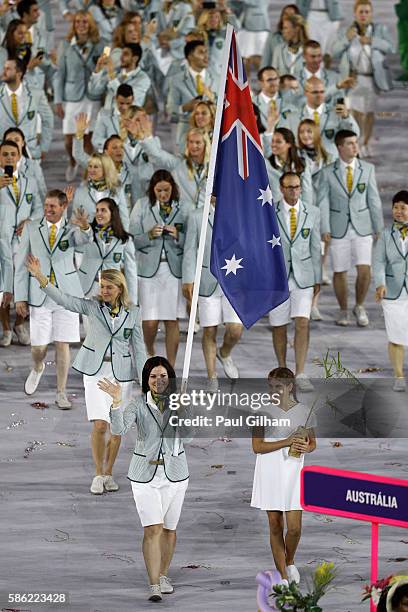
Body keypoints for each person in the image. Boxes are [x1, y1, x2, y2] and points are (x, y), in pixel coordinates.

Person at [26, 258, 146, 493]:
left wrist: (145, 381)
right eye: (102, 287)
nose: (103, 291)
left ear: (120, 288)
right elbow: (65, 300)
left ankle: (109, 473)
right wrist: (41, 277)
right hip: (95, 373)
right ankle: (98, 474)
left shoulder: (133, 313)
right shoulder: (92, 307)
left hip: (121, 375)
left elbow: (139, 347)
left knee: (117, 427)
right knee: (100, 424)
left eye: (109, 287)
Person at [99, 356, 190, 603]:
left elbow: (190, 438)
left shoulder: (180, 404)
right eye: (153, 377)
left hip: (176, 474)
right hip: (145, 477)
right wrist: (116, 402)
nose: (158, 381)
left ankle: (163, 575)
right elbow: (118, 430)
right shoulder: (137, 405)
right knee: (153, 529)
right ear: (146, 380)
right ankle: (154, 585)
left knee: (169, 530)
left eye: (163, 376)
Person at [13, 189, 92, 408]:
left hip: (66, 295)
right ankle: (38, 367)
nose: (47, 210)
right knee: (39, 348)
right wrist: (20, 297)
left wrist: (85, 226)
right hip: (40, 294)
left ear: (63, 207)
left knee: (62, 343)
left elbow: (84, 241)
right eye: (46, 205)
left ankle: (61, 392)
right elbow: (21, 265)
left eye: (52, 206)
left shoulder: (71, 228)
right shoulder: (31, 228)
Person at [251, 367, 316, 585]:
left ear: (289, 387)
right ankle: (283, 576)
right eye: (270, 386)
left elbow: (312, 442)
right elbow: (257, 447)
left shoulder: (306, 411)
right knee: (276, 525)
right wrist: (286, 441)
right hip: (269, 470)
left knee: (295, 528)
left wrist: (307, 447)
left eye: (278, 386)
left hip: (294, 471)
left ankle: (289, 560)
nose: (273, 391)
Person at [317, 129, 384, 327]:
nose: (355, 146)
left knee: (365, 270)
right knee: (340, 271)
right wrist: (325, 227)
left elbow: (374, 199)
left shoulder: (368, 169)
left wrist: (378, 226)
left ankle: (360, 306)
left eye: (356, 142)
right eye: (350, 143)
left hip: (362, 226)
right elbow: (323, 202)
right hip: (338, 229)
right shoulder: (327, 172)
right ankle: (343, 309)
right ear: (339, 147)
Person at [130, 169, 191, 366]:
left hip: (174, 271)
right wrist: (148, 235)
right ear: (152, 190)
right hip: (148, 270)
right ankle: (149, 353)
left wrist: (178, 236)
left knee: (171, 320)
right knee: (149, 321)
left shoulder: (185, 207)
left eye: (166, 190)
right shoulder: (142, 205)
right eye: (159, 191)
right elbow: (131, 239)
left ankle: (170, 365)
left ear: (173, 188)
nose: (163, 194)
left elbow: (192, 241)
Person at [182, 196, 243, 389]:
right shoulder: (196, 216)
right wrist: (188, 279)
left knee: (235, 330)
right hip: (207, 280)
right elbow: (191, 249)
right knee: (210, 329)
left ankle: (224, 353)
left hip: (234, 281)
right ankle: (212, 376)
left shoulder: (240, 214)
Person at [269, 173, 321, 392]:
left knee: (302, 322)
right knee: (279, 325)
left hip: (304, 275)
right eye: (289, 187)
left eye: (297, 187)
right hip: (277, 277)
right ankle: (282, 371)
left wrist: (317, 277)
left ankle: (300, 372)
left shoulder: (313, 212)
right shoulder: (269, 211)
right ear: (281, 188)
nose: (293, 191)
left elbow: (315, 246)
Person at [332, 0, 394, 157]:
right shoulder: (347, 31)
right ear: (355, 13)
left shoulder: (379, 30)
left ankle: (366, 142)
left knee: (369, 112)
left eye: (367, 12)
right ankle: (357, 143)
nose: (364, 15)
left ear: (371, 13)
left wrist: (373, 41)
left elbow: (390, 47)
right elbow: (335, 52)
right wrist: (347, 39)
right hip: (353, 79)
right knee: (355, 112)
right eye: (361, 12)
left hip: (372, 79)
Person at [53, 10, 105, 181]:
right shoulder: (65, 45)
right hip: (71, 98)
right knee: (69, 139)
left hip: (93, 97)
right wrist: (58, 100)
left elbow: (104, 72)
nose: (81, 25)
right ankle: (72, 161)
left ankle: (87, 173)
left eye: (84, 22)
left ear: (91, 24)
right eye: (77, 22)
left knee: (89, 139)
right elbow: (59, 74)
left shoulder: (100, 45)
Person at [0, 139, 41, 347]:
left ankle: (20, 323)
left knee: (25, 280)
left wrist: (29, 220)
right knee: (3, 284)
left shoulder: (29, 181)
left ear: (19, 157)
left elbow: (39, 207)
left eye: (12, 154)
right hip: (2, 239)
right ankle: (5, 327)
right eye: (5, 154)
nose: (9, 158)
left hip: (23, 239)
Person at [297, 118, 333, 319]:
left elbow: (328, 195)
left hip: (320, 213)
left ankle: (313, 304)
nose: (306, 136)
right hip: (300, 214)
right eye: (302, 132)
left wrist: (326, 224)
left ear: (317, 133)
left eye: (310, 132)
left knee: (316, 262)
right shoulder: (295, 155)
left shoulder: (328, 157)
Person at [373, 191, 408, 392]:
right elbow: (378, 262)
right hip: (393, 292)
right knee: (395, 334)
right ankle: (398, 376)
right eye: (396, 207)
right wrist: (380, 284)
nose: (398, 211)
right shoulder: (386, 235)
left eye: (403, 208)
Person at [277, 76, 360, 158]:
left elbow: (355, 135)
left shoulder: (337, 113)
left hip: (330, 163)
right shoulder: (293, 117)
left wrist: (346, 118)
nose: (319, 95)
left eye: (322, 92)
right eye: (315, 92)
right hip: (304, 164)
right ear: (306, 93)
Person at [78, 197, 138, 303]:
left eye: (103, 210)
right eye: (97, 210)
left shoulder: (125, 239)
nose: (99, 214)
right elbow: (80, 239)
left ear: (112, 213)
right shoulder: (87, 233)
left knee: (111, 319)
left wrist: (132, 301)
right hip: (89, 288)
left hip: (112, 291)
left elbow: (131, 271)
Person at [0, 58, 54, 161]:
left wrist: (44, 147)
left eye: (8, 69)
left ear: (19, 73)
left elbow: (48, 119)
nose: (4, 72)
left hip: (30, 153)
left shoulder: (36, 94)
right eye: (4, 68)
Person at [166, 39, 215, 147]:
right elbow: (170, 111)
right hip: (186, 137)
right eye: (201, 52)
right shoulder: (176, 80)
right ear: (190, 56)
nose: (206, 56)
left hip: (212, 138)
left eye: (206, 52)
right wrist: (185, 108)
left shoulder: (217, 78)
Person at [71, 151, 129, 229]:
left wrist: (124, 238)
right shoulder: (80, 192)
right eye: (90, 166)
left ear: (105, 168)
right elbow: (74, 220)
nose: (91, 170)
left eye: (96, 167)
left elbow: (124, 218)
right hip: (87, 238)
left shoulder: (117, 190)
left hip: (113, 238)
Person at [89, 42, 151, 110]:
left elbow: (125, 98)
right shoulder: (116, 72)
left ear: (135, 58)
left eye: (125, 54)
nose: (121, 57)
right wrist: (98, 70)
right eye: (122, 53)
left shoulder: (143, 79)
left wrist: (112, 76)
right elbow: (93, 91)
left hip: (126, 119)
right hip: (106, 118)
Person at [264, 127, 314, 209]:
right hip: (276, 212)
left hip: (298, 211)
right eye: (272, 141)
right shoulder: (266, 164)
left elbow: (307, 192)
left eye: (278, 142)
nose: (273, 145)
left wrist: (306, 213)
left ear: (289, 144)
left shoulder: (302, 164)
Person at [3, 127, 47, 200]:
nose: (13, 143)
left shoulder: (33, 166)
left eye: (17, 140)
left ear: (23, 143)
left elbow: (41, 193)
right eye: (9, 140)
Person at [261, 4, 301, 69]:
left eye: (291, 14)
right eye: (285, 14)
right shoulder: (273, 37)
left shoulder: (302, 39)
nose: (288, 16)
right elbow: (265, 61)